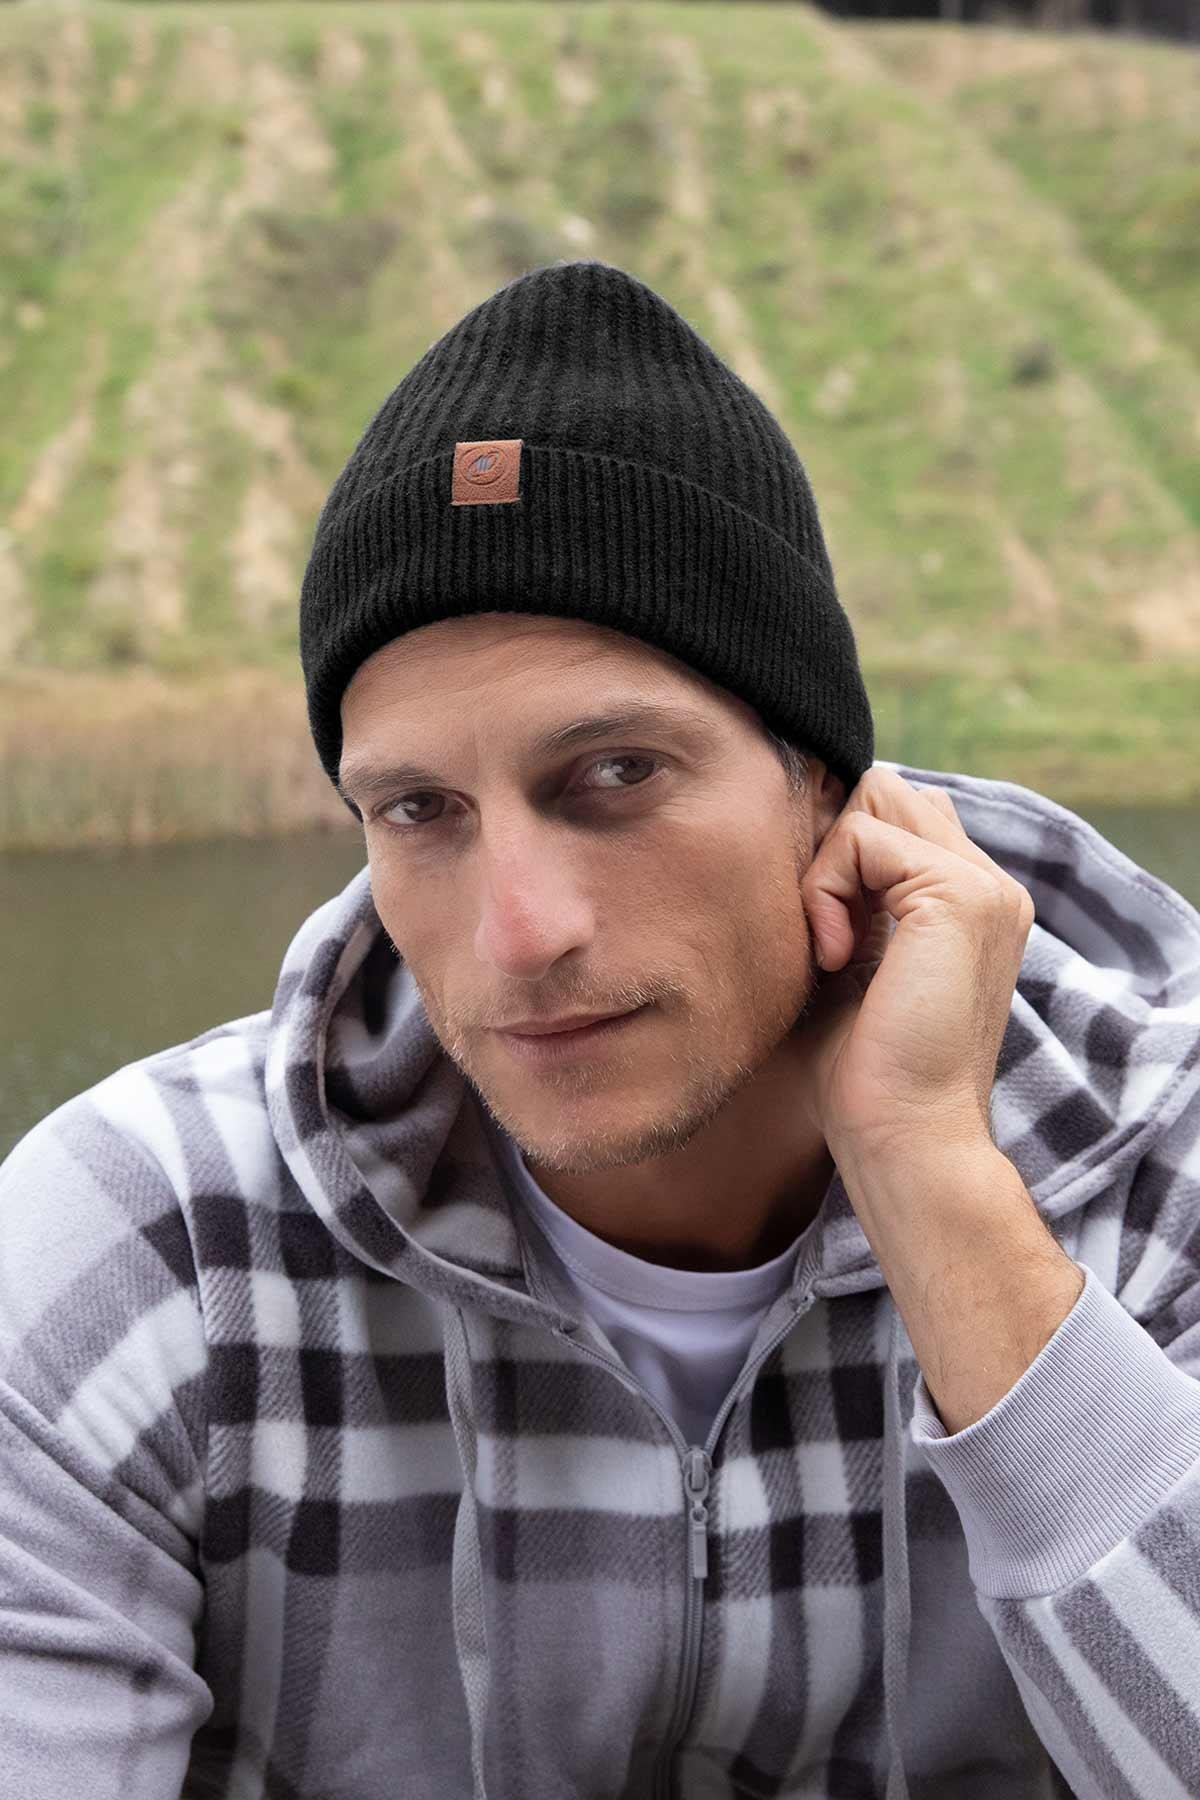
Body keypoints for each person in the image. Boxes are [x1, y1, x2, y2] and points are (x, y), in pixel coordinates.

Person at [2, 260, 1199, 1800]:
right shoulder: (143, 1252)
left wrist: (936, 1180)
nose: (522, 931)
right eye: (419, 810)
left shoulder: (1163, 1180)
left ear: (829, 791)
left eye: (617, 775)